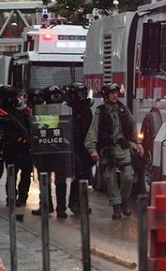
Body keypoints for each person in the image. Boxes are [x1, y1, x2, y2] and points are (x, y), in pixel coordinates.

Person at [85, 83, 144, 219]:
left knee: (128, 176)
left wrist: (138, 143)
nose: (115, 95)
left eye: (116, 93)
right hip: (108, 150)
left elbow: (133, 125)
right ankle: (116, 206)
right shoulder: (100, 112)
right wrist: (92, 150)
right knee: (110, 179)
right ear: (106, 95)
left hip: (123, 148)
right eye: (112, 93)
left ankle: (124, 200)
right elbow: (92, 132)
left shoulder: (123, 109)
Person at [31, 85, 71, 218]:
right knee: (45, 179)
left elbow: (69, 128)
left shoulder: (65, 110)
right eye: (54, 96)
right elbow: (35, 130)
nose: (57, 98)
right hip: (45, 151)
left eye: (58, 95)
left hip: (60, 150)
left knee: (60, 180)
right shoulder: (39, 111)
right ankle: (46, 205)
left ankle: (61, 209)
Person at [0, 85, 32, 209]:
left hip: (23, 146)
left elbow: (29, 125)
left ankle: (22, 197)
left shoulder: (22, 111)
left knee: (24, 173)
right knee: (12, 173)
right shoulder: (3, 113)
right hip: (9, 146)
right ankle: (12, 197)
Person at [65, 82, 94, 215]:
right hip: (73, 146)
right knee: (79, 173)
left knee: (85, 174)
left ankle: (80, 202)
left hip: (85, 145)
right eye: (79, 93)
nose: (82, 96)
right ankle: (75, 203)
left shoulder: (86, 108)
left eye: (83, 92)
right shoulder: (68, 109)